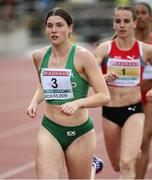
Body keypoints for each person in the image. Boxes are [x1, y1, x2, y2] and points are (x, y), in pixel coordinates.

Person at [26, 7, 110, 179]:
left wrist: (78, 103)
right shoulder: (39, 56)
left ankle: (92, 166)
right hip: (50, 129)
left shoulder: (83, 57)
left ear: (70, 28)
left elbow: (104, 95)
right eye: (50, 26)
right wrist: (35, 101)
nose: (54, 30)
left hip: (80, 133)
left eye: (59, 25)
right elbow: (43, 85)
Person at [95, 5, 152, 179]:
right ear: (113, 24)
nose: (121, 25)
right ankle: (133, 151)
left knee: (127, 164)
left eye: (126, 21)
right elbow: (89, 74)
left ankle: (132, 151)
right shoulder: (105, 49)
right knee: (117, 164)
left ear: (134, 23)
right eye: (117, 21)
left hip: (134, 110)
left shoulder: (144, 49)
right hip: (110, 111)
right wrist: (101, 77)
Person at [135, 2, 152, 179]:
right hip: (127, 96)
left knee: (144, 141)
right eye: (136, 13)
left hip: (149, 96)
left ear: (150, 17)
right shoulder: (123, 40)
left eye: (143, 13)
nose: (140, 16)